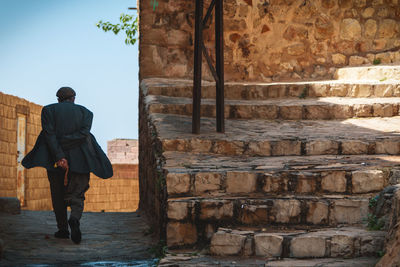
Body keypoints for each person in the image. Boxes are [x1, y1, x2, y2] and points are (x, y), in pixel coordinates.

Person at [22, 87, 113, 244]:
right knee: (78, 194)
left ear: (58, 99)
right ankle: (75, 218)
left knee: (57, 196)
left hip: (56, 162)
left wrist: (60, 156)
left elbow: (49, 135)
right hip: (81, 161)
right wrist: (68, 144)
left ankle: (63, 230)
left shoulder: (48, 111)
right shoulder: (86, 113)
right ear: (74, 99)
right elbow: (83, 134)